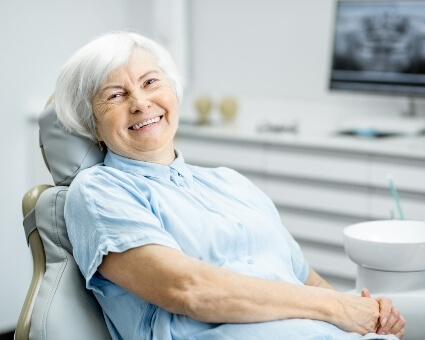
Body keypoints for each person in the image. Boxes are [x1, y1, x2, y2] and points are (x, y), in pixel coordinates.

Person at [55, 31, 405, 340]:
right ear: (94, 127)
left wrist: (366, 316)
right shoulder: (100, 191)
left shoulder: (231, 182)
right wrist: (335, 307)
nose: (140, 102)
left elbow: (304, 279)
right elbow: (190, 290)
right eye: (115, 95)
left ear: (172, 93)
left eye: (150, 82)